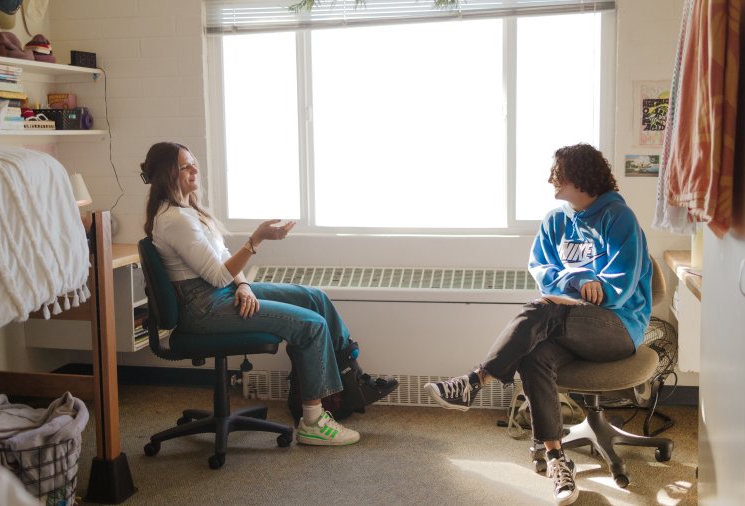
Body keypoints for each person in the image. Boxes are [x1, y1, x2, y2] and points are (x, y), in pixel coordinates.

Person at [424, 143, 651, 505]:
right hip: (566, 320)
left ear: (581, 177)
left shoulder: (619, 219)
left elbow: (620, 288)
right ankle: (556, 458)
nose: (551, 181)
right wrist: (576, 281)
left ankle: (475, 380)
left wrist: (589, 287)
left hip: (617, 326)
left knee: (542, 309)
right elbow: (542, 271)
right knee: (533, 355)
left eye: (558, 174)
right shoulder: (556, 220)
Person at [141, 141, 397, 447]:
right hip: (203, 306)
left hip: (219, 291)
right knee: (310, 324)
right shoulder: (174, 220)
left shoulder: (190, 211)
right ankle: (314, 422)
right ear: (167, 174)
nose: (195, 169)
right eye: (185, 166)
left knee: (313, 297)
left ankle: (352, 380)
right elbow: (217, 273)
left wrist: (245, 285)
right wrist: (256, 240)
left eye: (193, 162)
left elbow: (222, 258)